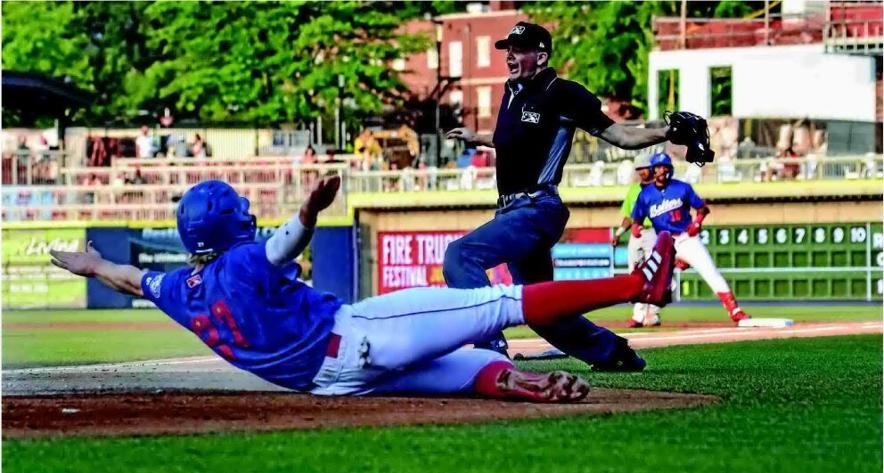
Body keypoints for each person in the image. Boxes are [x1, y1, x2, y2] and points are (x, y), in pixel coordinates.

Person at [49, 177, 676, 402]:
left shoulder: (177, 287)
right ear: (227, 223)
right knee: (497, 303)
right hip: (354, 340)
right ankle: (636, 284)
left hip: (328, 384)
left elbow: (122, 274)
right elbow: (285, 244)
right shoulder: (243, 262)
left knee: (471, 368)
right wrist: (310, 209)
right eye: (241, 207)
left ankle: (522, 384)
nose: (248, 211)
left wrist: (83, 261)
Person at [444, 21, 695, 368]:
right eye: (508, 49)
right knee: (542, 311)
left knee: (459, 257)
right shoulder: (513, 92)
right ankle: (615, 354)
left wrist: (668, 132)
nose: (510, 56)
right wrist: (478, 138)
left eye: (519, 49)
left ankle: (490, 350)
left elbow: (621, 136)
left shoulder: (563, 93)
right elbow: (513, 140)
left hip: (536, 208)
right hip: (512, 212)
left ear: (542, 56)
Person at [630, 152, 750, 323]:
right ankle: (638, 316)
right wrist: (636, 228)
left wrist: (697, 223)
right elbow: (637, 220)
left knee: (710, 272)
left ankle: (734, 310)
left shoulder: (682, 188)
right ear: (653, 170)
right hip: (664, 243)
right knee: (649, 277)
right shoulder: (645, 195)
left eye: (665, 167)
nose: (661, 171)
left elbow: (702, 208)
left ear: (670, 169)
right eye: (658, 167)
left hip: (686, 238)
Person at [611, 154, 660, 328]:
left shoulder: (659, 187)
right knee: (635, 273)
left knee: (654, 273)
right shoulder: (633, 189)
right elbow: (628, 216)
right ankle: (638, 315)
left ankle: (653, 313)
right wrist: (618, 233)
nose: (641, 172)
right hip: (636, 232)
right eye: (638, 169)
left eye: (643, 168)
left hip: (654, 231)